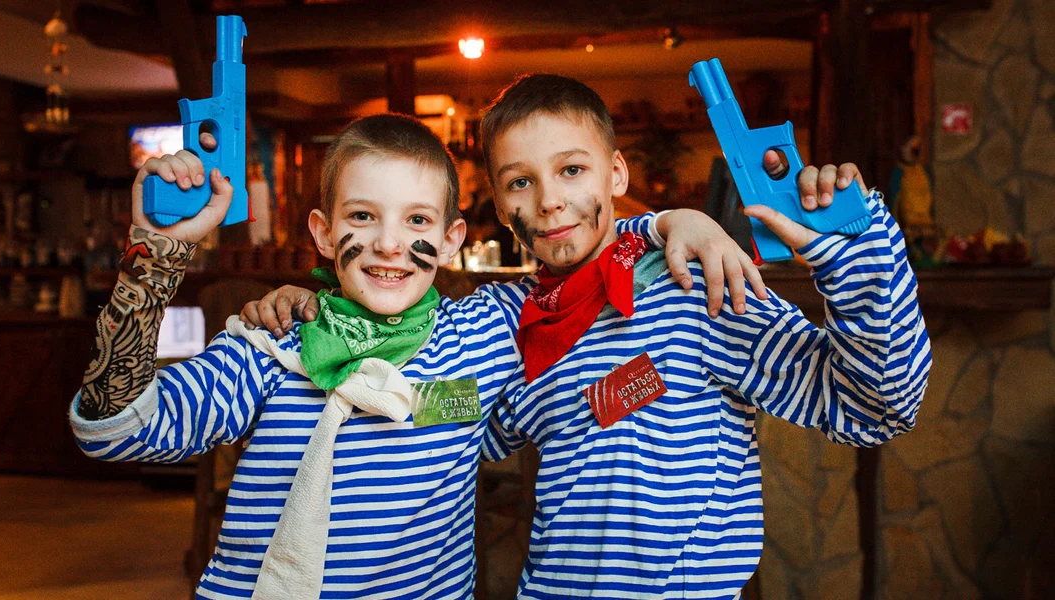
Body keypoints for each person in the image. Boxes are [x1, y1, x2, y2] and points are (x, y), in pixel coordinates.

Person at [249, 74, 930, 599]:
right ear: (498, 202)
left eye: (571, 170)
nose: (548, 199)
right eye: (522, 181)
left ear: (616, 174)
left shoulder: (697, 288)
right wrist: (328, 323)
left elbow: (875, 406)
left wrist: (856, 256)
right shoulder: (509, 323)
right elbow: (439, 408)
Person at [70, 113, 762, 600]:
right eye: (362, 217)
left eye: (417, 221)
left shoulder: (489, 333)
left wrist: (675, 221)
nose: (389, 245)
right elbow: (114, 429)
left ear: (453, 239)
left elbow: (581, 247)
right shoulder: (272, 347)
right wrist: (154, 256)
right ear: (323, 232)